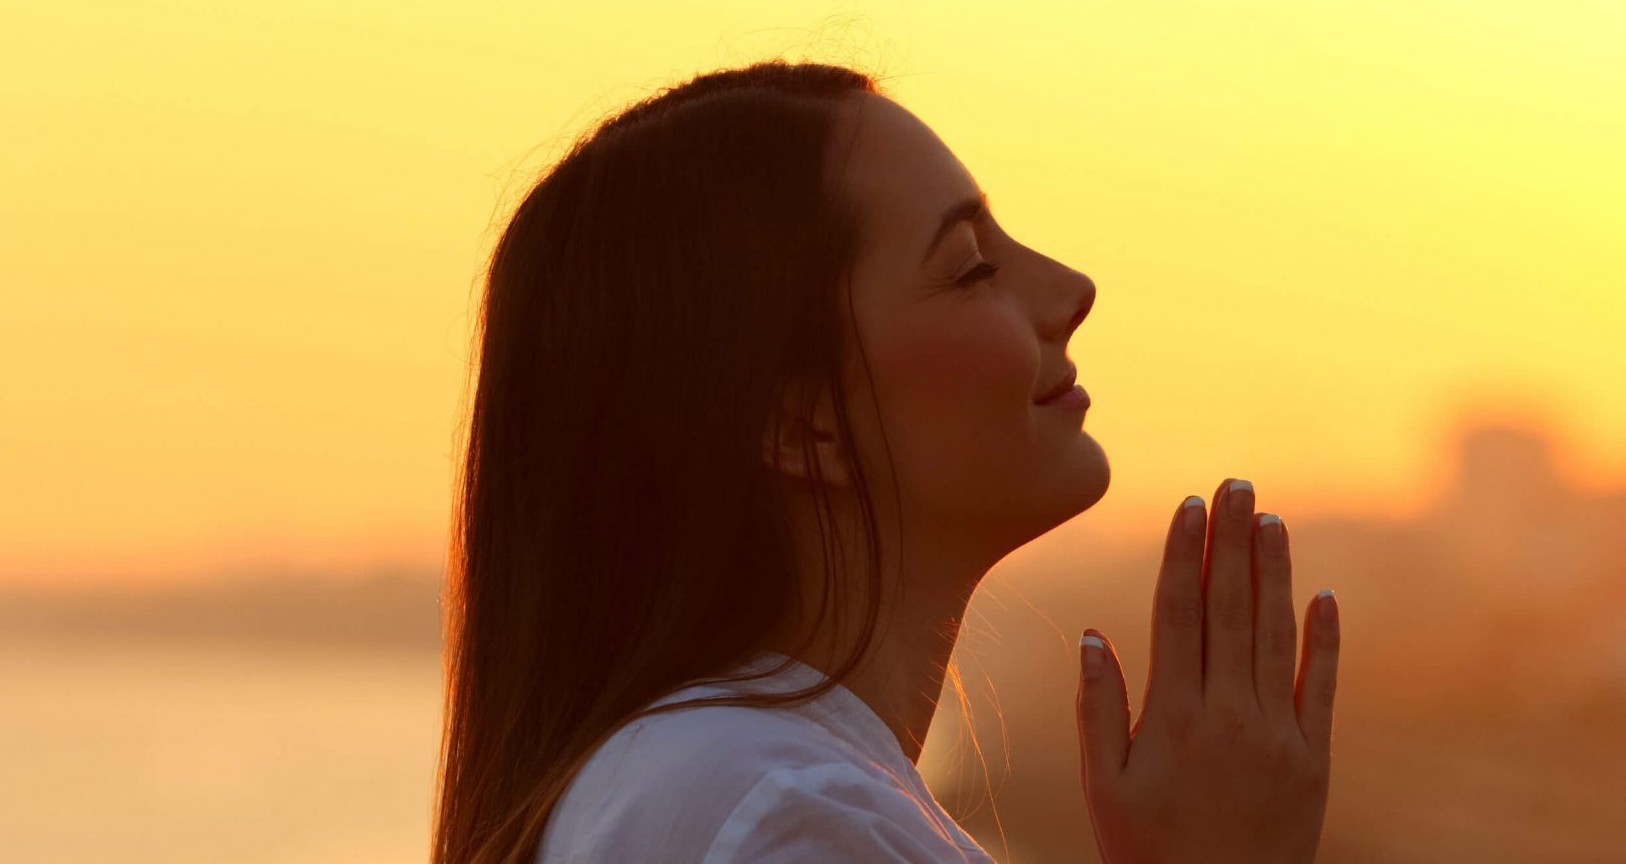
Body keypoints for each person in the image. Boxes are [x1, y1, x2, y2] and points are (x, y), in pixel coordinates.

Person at [429, 59, 1344, 864]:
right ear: (807, 426)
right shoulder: (791, 814)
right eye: (971, 267)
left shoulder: (700, 784)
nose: (1072, 290)